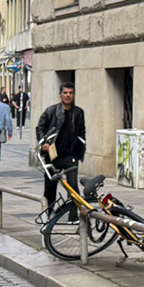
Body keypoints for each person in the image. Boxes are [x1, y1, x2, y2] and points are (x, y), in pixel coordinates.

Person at [35, 81, 86, 212]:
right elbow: (40, 128)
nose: (68, 95)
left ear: (74, 95)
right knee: (50, 187)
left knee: (73, 186)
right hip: (53, 155)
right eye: (65, 93)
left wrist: (81, 147)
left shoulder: (79, 112)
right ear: (60, 95)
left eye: (70, 93)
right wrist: (43, 143)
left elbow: (81, 131)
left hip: (71, 155)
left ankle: (74, 215)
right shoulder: (51, 111)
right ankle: (49, 212)